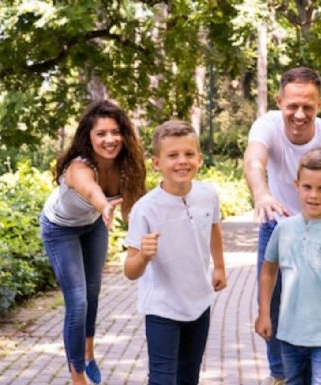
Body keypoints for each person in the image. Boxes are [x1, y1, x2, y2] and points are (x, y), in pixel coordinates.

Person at [243, 66, 321, 384]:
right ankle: (279, 374)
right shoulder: (266, 125)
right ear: (280, 101)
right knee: (273, 300)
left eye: (307, 106)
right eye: (292, 105)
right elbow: (254, 160)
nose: (299, 114)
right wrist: (262, 194)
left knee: (319, 296)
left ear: (318, 106)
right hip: (280, 221)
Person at [39, 100, 147, 385]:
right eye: (101, 133)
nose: (109, 139)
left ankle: (89, 354)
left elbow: (131, 210)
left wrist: (139, 231)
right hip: (59, 229)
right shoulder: (78, 166)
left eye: (115, 132)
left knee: (94, 291)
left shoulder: (128, 167)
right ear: (88, 136)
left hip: (93, 225)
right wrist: (104, 207)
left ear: (124, 134)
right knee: (78, 300)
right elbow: (90, 189)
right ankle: (77, 377)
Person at [124, 120, 227, 385]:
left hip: (199, 303)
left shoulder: (208, 195)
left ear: (200, 159)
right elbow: (130, 271)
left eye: (189, 154)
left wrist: (219, 267)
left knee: (189, 376)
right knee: (162, 379)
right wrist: (144, 256)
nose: (182, 161)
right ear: (157, 163)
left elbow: (214, 228)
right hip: (162, 308)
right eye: (172, 155)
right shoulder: (145, 209)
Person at [255, 147, 321, 385]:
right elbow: (268, 270)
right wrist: (264, 312)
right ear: (297, 185)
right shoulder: (283, 228)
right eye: (307, 187)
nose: (313, 195)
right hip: (289, 334)